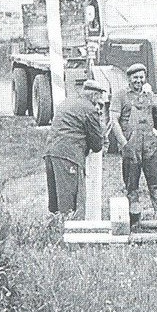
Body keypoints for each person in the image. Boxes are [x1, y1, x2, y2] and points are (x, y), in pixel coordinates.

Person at [108, 63, 157, 226]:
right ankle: (134, 218)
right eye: (135, 77)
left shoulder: (149, 95)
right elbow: (113, 120)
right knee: (131, 182)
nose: (138, 80)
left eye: (141, 77)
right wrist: (123, 142)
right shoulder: (120, 95)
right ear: (129, 79)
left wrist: (155, 99)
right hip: (131, 144)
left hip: (150, 144)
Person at [44, 79, 106, 218]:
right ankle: (73, 235)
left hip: (51, 153)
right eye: (99, 97)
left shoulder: (67, 102)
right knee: (70, 202)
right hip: (69, 156)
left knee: (56, 202)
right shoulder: (89, 109)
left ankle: (56, 233)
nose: (99, 101)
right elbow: (97, 145)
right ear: (94, 95)